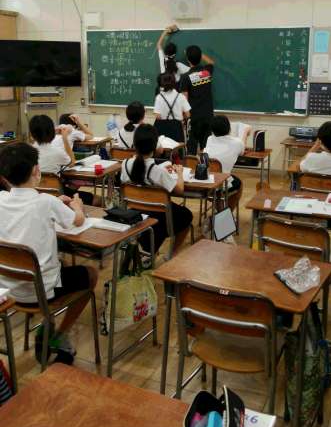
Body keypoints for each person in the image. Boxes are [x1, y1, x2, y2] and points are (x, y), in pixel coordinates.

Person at [0, 142, 97, 364]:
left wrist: (55, 204)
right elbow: (77, 221)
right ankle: (59, 334)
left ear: (4, 177)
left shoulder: (3, 199)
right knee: (91, 274)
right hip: (41, 293)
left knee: (61, 264)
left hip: (8, 290)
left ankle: (49, 325)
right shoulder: (46, 202)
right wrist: (77, 206)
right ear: (37, 170)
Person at [120, 124, 192, 254]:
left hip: (134, 211)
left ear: (134, 144)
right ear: (154, 146)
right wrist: (179, 173)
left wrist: (160, 170)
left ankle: (147, 248)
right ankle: (172, 254)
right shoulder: (157, 172)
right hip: (157, 213)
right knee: (186, 215)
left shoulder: (125, 163)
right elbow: (179, 190)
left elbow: (141, 173)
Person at [204, 115, 251, 211]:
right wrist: (245, 132)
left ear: (212, 130)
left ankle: (220, 209)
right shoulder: (237, 143)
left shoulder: (209, 139)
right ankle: (227, 212)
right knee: (238, 184)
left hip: (206, 181)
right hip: (221, 183)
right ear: (229, 128)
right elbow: (242, 150)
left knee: (219, 187)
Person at [180, 45, 215, 154]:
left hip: (194, 117)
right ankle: (204, 164)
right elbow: (211, 62)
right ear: (200, 57)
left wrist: (184, 117)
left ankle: (191, 164)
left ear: (188, 59)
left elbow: (184, 99)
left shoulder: (185, 77)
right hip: (207, 115)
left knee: (192, 148)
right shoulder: (206, 72)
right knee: (206, 147)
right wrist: (199, 54)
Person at [153, 72, 190, 142]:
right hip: (176, 127)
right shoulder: (180, 96)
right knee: (177, 146)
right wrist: (181, 118)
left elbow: (157, 116)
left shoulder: (159, 97)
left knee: (163, 146)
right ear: (174, 83)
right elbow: (188, 114)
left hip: (162, 127)